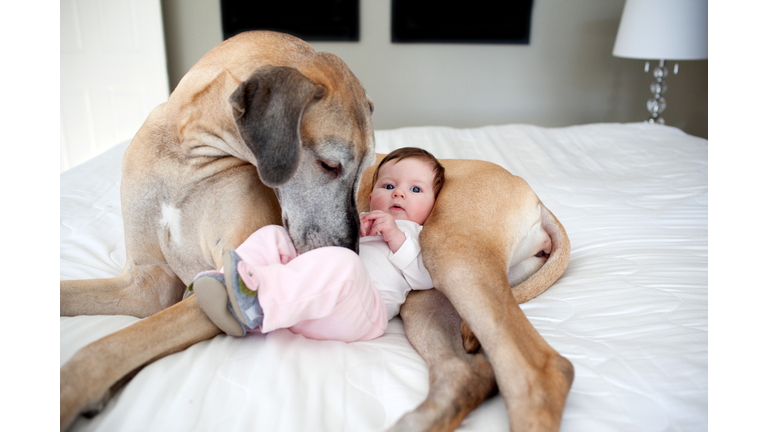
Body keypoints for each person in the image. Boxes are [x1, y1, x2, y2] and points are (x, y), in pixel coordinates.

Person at [190, 147, 446, 342]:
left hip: (363, 313)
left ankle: (256, 301)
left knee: (347, 264)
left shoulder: (417, 234)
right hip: (309, 306)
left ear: (434, 204)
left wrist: (396, 238)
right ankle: (226, 283)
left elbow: (426, 277)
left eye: (415, 190)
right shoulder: (359, 219)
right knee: (276, 235)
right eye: (389, 185)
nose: (399, 193)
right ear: (370, 197)